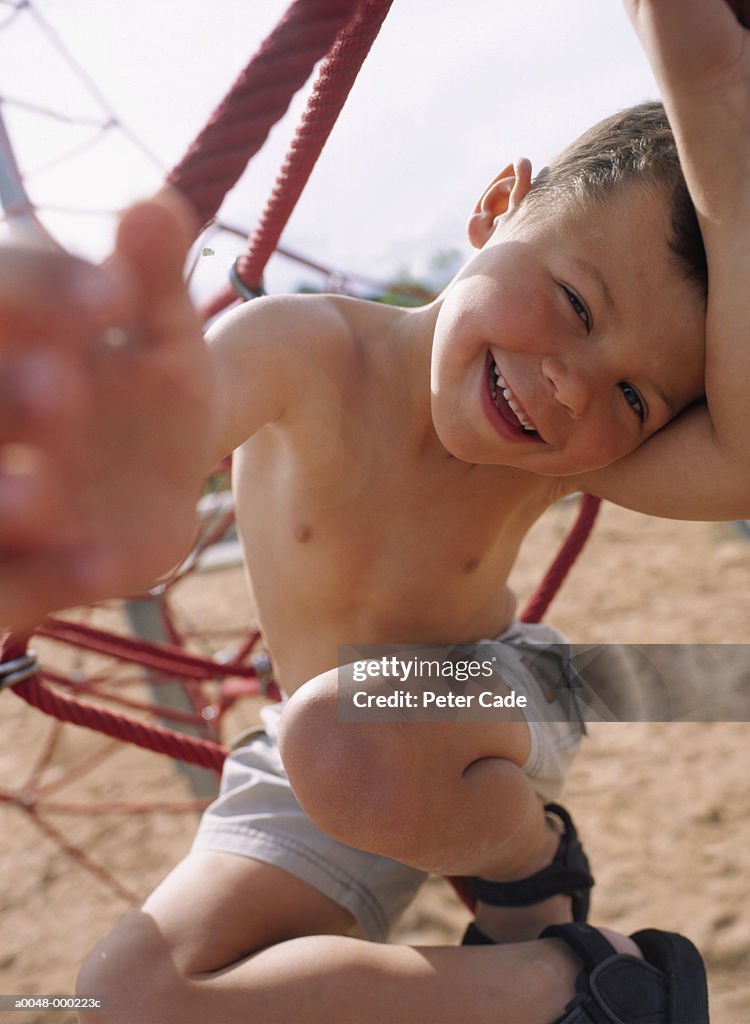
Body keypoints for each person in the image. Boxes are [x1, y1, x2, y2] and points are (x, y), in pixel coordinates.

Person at [1, 0, 748, 1020]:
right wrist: (122, 469)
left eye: (633, 397)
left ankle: (526, 861)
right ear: (495, 207)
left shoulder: (565, 458)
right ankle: (594, 984)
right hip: (310, 750)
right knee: (120, 995)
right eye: (575, 304)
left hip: (487, 698)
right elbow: (164, 458)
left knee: (343, 724)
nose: (574, 385)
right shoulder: (300, 350)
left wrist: (716, 107)